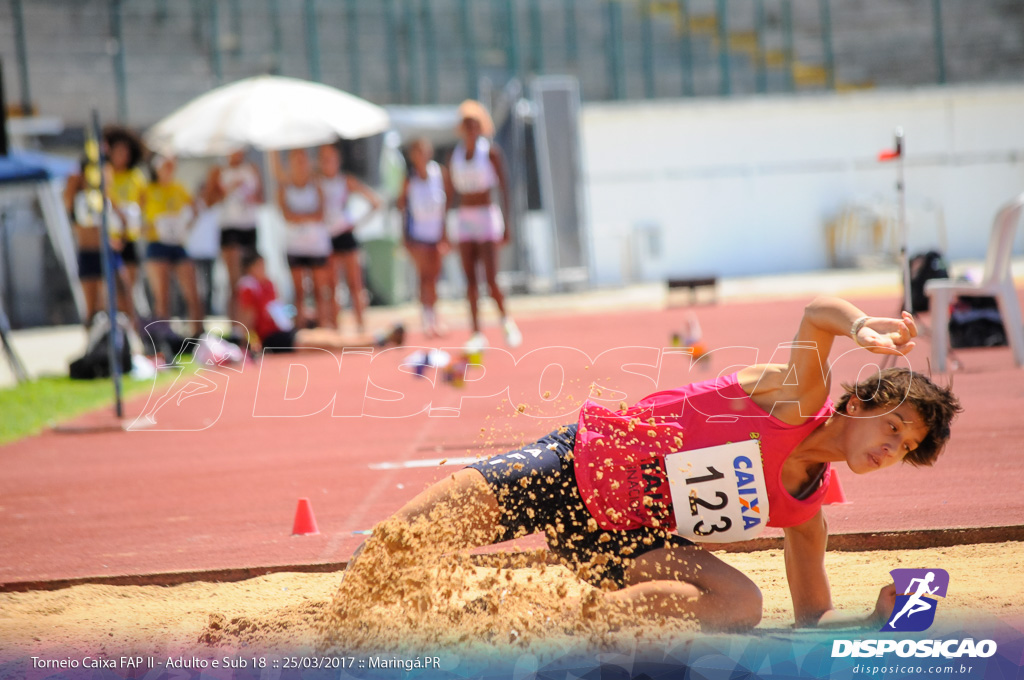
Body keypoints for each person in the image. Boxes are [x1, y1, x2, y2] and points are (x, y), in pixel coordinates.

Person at [346, 297, 961, 631]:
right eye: (894, 426)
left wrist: (872, 620)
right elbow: (815, 317)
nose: (891, 449)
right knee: (390, 554)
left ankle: (553, 618)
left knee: (741, 605)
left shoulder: (806, 513)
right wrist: (863, 329)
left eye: (905, 449)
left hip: (625, 541)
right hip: (578, 467)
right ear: (856, 403)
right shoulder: (799, 400)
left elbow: (811, 617)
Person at [448, 100, 521, 349]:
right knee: (469, 279)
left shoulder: (490, 153)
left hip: (487, 216)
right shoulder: (455, 156)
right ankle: (476, 332)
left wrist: (508, 223)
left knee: (491, 278)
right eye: (466, 124)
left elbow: (504, 187)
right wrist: (444, 227)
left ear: (481, 127)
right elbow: (450, 193)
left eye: (474, 124)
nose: (470, 129)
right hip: (465, 218)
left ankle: (505, 320)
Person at [236, 252, 403, 353]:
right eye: (260, 266)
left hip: (285, 331)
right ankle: (376, 341)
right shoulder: (248, 286)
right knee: (327, 344)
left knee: (328, 335)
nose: (264, 269)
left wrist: (295, 313)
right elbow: (248, 320)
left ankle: (377, 338)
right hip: (273, 339)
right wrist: (251, 343)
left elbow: (276, 311)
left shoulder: (267, 284)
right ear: (250, 268)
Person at [318, 143, 382, 333]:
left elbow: (375, 202)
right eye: (324, 159)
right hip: (326, 238)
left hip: (345, 235)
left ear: (338, 161)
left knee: (355, 284)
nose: (328, 163)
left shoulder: (345, 181)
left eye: (331, 159)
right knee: (331, 287)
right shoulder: (317, 182)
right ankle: (336, 329)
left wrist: (356, 222)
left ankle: (361, 328)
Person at [64, 161, 132, 326]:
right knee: (92, 309)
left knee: (124, 301)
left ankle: (133, 342)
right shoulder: (77, 195)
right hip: (88, 252)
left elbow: (123, 220)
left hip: (108, 252)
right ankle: (92, 346)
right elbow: (68, 197)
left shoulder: (104, 195)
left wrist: (120, 239)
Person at [141, 155, 202, 335]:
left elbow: (195, 209)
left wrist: (185, 226)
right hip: (157, 243)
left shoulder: (178, 187)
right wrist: (149, 228)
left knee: (192, 290)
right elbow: (138, 217)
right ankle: (163, 335)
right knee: (162, 295)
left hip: (177, 243)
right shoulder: (148, 190)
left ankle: (197, 332)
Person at [398, 138, 451, 337]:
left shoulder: (439, 173)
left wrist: (445, 233)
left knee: (435, 277)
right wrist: (404, 236)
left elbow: (445, 205)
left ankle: (435, 317)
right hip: (418, 235)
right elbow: (402, 207)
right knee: (424, 277)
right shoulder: (409, 179)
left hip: (435, 234)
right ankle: (426, 319)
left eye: (424, 150)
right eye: (417, 151)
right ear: (413, 156)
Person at [276, 149, 333, 329]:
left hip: (316, 244)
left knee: (319, 290)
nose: (300, 165)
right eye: (296, 161)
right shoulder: (285, 187)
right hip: (295, 245)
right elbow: (287, 215)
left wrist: (299, 217)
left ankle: (324, 326)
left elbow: (321, 214)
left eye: (303, 160)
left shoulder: (316, 184)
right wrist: (306, 216)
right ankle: (300, 330)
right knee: (299, 291)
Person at [213, 149, 263, 320]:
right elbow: (210, 199)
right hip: (230, 227)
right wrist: (228, 189)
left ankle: (248, 324)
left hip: (249, 226)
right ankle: (235, 324)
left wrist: (252, 198)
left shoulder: (252, 169)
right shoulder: (219, 171)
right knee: (235, 281)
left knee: (249, 280)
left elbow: (261, 198)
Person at [103, 126, 148, 316]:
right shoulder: (105, 174)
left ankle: (131, 328)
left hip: (129, 238)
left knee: (129, 287)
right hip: (109, 239)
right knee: (111, 288)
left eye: (126, 152)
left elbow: (143, 204)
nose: (123, 156)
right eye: (119, 151)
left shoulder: (136, 176)